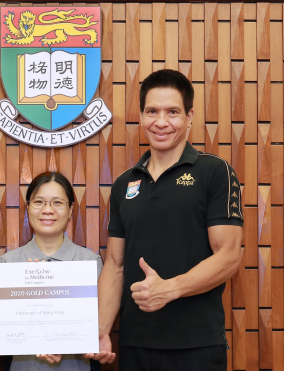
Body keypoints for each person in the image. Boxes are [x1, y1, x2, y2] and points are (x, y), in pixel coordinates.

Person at [88, 69, 243, 370]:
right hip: (134, 346)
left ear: (189, 117)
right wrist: (101, 331)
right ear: (142, 116)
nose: (161, 122)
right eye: (152, 111)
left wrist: (170, 289)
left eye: (172, 112)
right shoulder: (123, 184)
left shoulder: (215, 173)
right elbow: (116, 266)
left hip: (196, 346)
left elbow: (229, 256)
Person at [0, 171, 103, 371]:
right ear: (27, 207)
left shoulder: (90, 263)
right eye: (39, 202)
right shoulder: (8, 264)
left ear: (71, 209)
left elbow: (97, 327)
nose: (48, 210)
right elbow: (4, 331)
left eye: (57, 203)